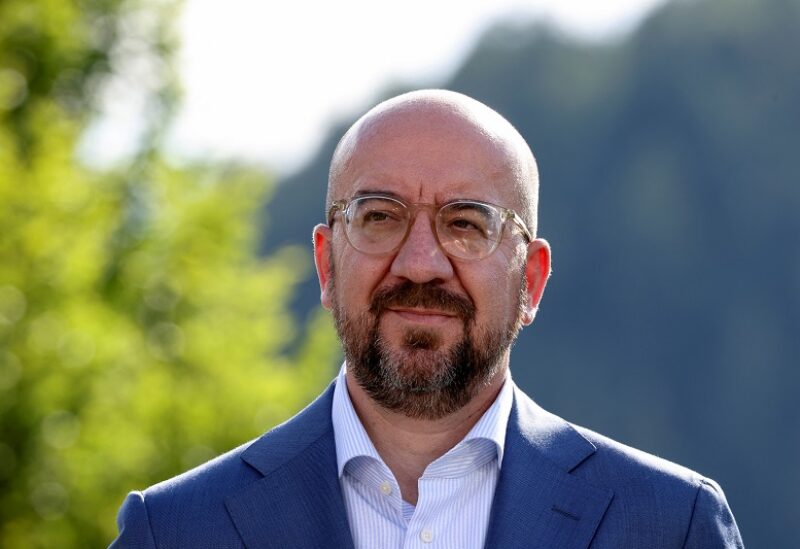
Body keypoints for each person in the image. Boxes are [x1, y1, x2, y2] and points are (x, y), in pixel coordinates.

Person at [110, 90, 744, 548]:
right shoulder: (176, 531)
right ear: (327, 265)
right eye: (379, 216)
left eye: (466, 224)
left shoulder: (670, 525)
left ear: (532, 279)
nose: (420, 263)